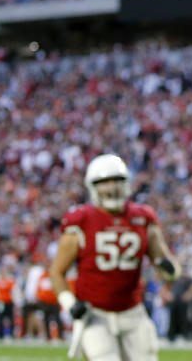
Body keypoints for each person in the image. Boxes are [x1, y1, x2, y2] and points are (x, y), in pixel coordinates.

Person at [48, 154, 182, 361]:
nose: (111, 188)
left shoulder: (142, 217)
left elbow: (166, 265)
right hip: (95, 313)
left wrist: (170, 271)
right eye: (104, 183)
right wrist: (70, 303)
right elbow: (57, 271)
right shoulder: (81, 220)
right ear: (92, 187)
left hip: (132, 312)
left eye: (117, 181)